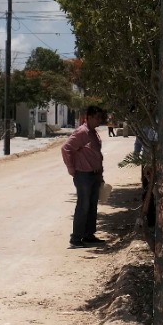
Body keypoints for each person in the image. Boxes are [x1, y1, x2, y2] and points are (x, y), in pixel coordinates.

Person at [62, 105, 106, 248]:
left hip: (94, 175)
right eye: (97, 117)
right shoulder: (82, 132)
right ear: (89, 117)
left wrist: (100, 174)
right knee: (83, 206)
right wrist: (71, 168)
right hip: (83, 176)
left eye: (100, 117)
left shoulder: (93, 133)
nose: (99, 120)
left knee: (92, 206)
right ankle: (76, 238)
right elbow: (66, 148)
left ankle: (88, 236)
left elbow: (96, 155)